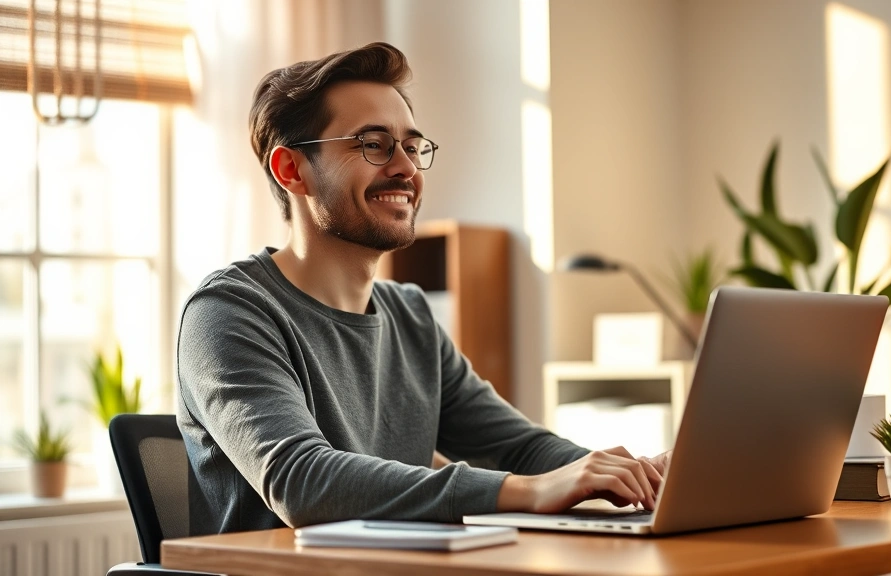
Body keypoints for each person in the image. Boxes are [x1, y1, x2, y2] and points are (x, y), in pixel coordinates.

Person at [176, 42, 669, 536]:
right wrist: (529, 491)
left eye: (411, 147)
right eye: (373, 144)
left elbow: (519, 448)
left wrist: (635, 479)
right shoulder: (228, 312)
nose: (406, 168)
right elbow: (301, 482)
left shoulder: (411, 316)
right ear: (292, 171)